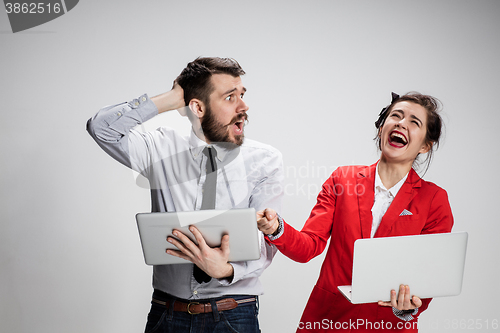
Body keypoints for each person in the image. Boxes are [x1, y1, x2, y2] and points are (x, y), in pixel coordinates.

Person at [87, 57, 284, 333]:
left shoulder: (265, 160)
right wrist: (171, 98)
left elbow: (267, 240)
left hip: (235, 314)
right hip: (168, 314)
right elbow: (101, 129)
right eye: (230, 97)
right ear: (197, 107)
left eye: (241, 95)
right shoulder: (160, 148)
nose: (243, 106)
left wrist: (226, 270)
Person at [257, 92, 453, 332]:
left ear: (425, 145)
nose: (401, 123)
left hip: (388, 325)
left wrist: (407, 308)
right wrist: (276, 228)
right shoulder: (343, 179)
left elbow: (429, 274)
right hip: (328, 319)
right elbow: (309, 246)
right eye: (396, 116)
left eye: (414, 122)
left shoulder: (434, 199)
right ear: (382, 128)